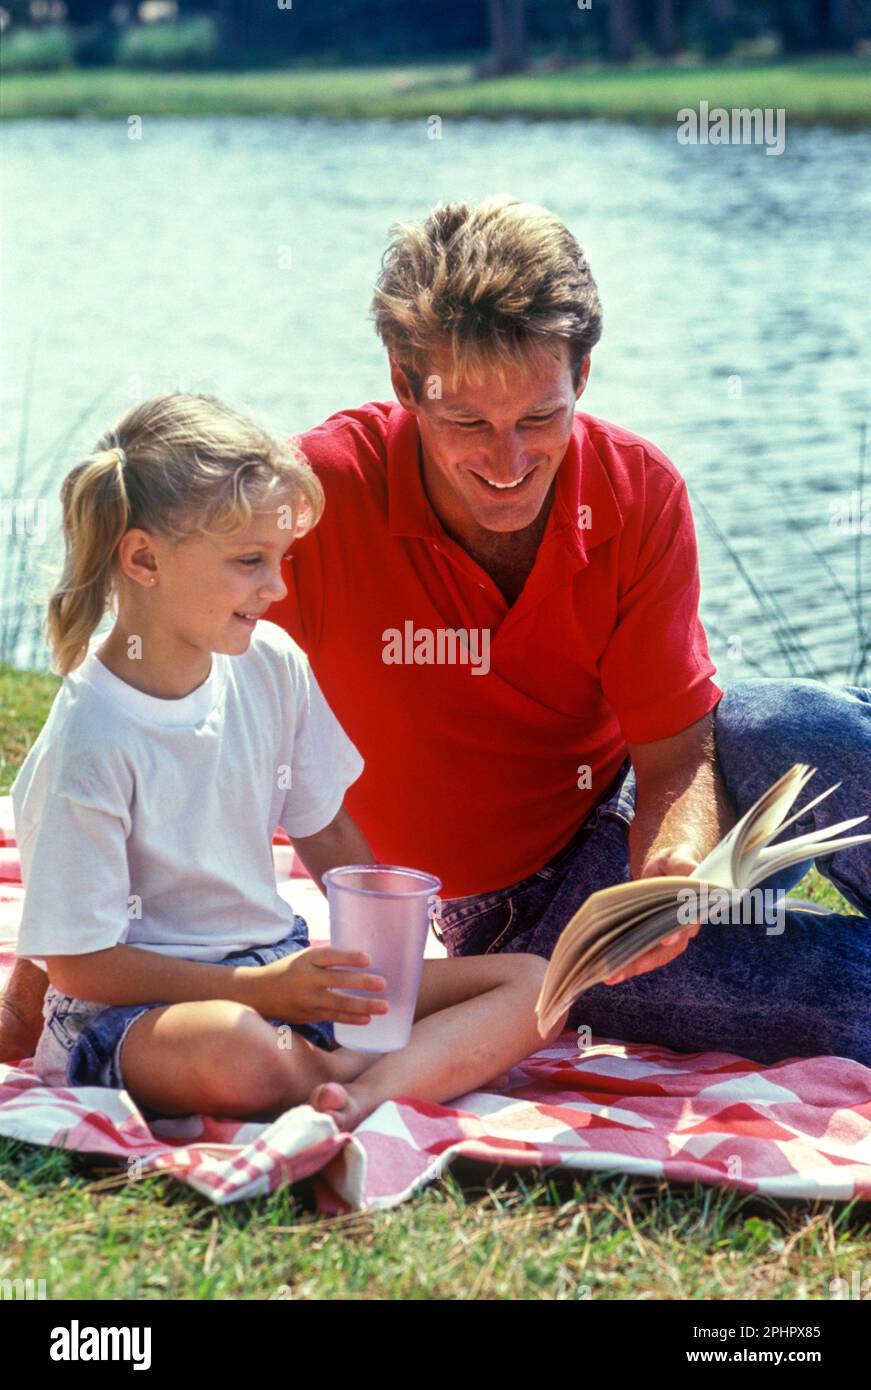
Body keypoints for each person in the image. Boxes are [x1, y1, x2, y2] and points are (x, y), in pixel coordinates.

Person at [4, 195, 870, 1069]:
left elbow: (678, 751)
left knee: (786, 725)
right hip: (522, 915)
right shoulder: (315, 502)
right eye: (467, 425)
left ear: (583, 377)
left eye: (540, 418)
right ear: (404, 381)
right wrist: (39, 976)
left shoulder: (637, 488)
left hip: (635, 821)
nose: (507, 464)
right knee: (843, 997)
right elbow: (130, 673)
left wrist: (674, 859)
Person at [2, 393, 565, 1129]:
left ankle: (352, 1090)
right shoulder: (93, 737)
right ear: (143, 558)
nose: (276, 588)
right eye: (248, 562)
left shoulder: (270, 664)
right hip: (139, 1011)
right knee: (240, 1051)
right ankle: (381, 1069)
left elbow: (324, 829)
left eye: (279, 560)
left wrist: (379, 972)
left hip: (280, 970)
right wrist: (263, 993)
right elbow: (80, 967)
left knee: (537, 983)